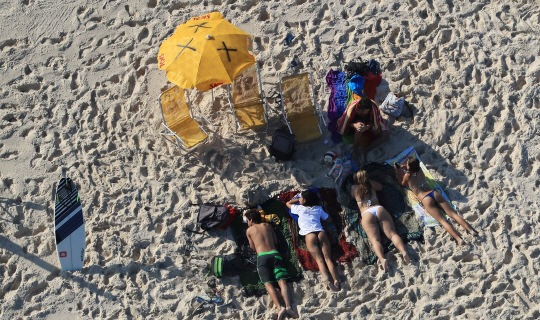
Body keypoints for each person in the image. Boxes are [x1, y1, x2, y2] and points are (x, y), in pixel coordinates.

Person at [395, 157, 478, 245]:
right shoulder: (419, 170)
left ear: (409, 166)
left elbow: (402, 185)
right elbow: (412, 166)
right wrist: (409, 164)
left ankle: (459, 239)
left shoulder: (407, 176)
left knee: (443, 221)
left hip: (425, 199)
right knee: (453, 214)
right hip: (434, 193)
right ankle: (471, 230)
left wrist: (398, 171)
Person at [351, 171, 411, 272]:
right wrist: (369, 182)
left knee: (375, 240)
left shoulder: (354, 188)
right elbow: (380, 187)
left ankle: (382, 259)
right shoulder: (371, 184)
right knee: (392, 234)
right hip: (378, 209)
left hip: (366, 214)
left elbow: (353, 196)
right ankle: (404, 252)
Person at [245, 209, 298, 320]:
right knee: (282, 282)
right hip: (275, 254)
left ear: (250, 220)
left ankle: (279, 307)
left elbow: (252, 247)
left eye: (247, 220)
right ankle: (288, 306)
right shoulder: (267, 226)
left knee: (268, 284)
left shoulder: (249, 230)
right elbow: (275, 241)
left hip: (263, 257)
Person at [285, 190, 340, 292]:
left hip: (310, 236)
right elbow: (329, 220)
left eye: (301, 198)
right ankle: (336, 280)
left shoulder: (299, 208)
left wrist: (297, 200)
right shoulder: (318, 208)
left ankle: (328, 282)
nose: (299, 199)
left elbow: (287, 203)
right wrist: (326, 208)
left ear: (305, 200)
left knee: (320, 261)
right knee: (328, 259)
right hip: (321, 233)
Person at [346, 97, 390, 165]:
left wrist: (366, 127)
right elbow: (347, 123)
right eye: (364, 111)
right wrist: (355, 125)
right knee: (359, 129)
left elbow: (373, 122)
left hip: (367, 124)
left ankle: (364, 150)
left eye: (367, 111)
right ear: (360, 108)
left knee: (386, 135)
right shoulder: (353, 108)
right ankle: (355, 151)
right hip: (356, 123)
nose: (365, 113)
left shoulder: (373, 109)